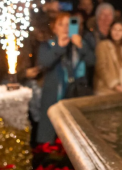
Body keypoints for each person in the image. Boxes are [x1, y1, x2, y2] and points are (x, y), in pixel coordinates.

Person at [37, 13, 95, 143]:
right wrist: (59, 47)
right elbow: (44, 63)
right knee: (50, 136)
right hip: (55, 96)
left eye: (69, 24)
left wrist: (81, 46)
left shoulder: (80, 43)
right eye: (61, 24)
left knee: (76, 136)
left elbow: (92, 61)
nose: (65, 28)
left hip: (76, 96)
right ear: (54, 28)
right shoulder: (47, 45)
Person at [94, 19, 122, 95]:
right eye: (114, 29)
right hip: (105, 91)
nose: (116, 33)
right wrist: (115, 86)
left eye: (120, 30)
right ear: (110, 30)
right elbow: (101, 68)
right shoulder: (103, 45)